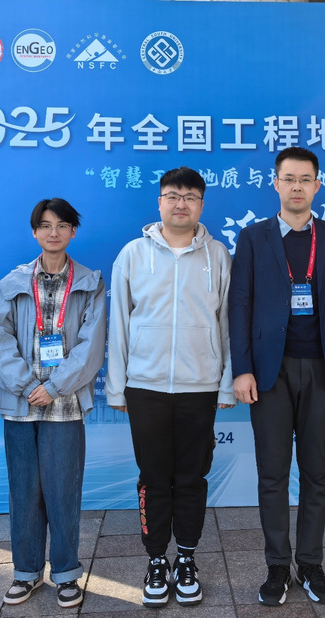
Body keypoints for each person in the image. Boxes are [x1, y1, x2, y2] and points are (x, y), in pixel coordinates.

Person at [228, 146, 325, 606]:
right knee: (272, 473)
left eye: (305, 179)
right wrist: (242, 369)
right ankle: (277, 567)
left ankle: (311, 564)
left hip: (324, 370)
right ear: (276, 184)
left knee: (316, 471)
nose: (297, 187)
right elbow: (239, 305)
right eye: (289, 179)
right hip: (270, 372)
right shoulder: (253, 237)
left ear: (317, 185)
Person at [106, 167, 235, 608]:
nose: (181, 204)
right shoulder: (133, 254)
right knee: (153, 477)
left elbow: (227, 323)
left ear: (202, 204)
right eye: (173, 196)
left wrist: (225, 385)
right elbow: (119, 325)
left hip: (200, 387)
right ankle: (157, 559)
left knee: (192, 477)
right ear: (160, 201)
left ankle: (187, 558)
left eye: (191, 197)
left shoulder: (218, 254)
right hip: (145, 387)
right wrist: (117, 389)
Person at [0, 198, 106, 609]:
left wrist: (54, 387)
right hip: (20, 405)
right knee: (23, 492)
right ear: (34, 232)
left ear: (73, 230)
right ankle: (25, 572)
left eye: (61, 225)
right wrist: (26, 385)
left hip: (65, 405)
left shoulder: (90, 282)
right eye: (44, 225)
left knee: (63, 492)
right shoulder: (12, 282)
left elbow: (92, 345)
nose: (53, 232)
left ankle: (66, 573)